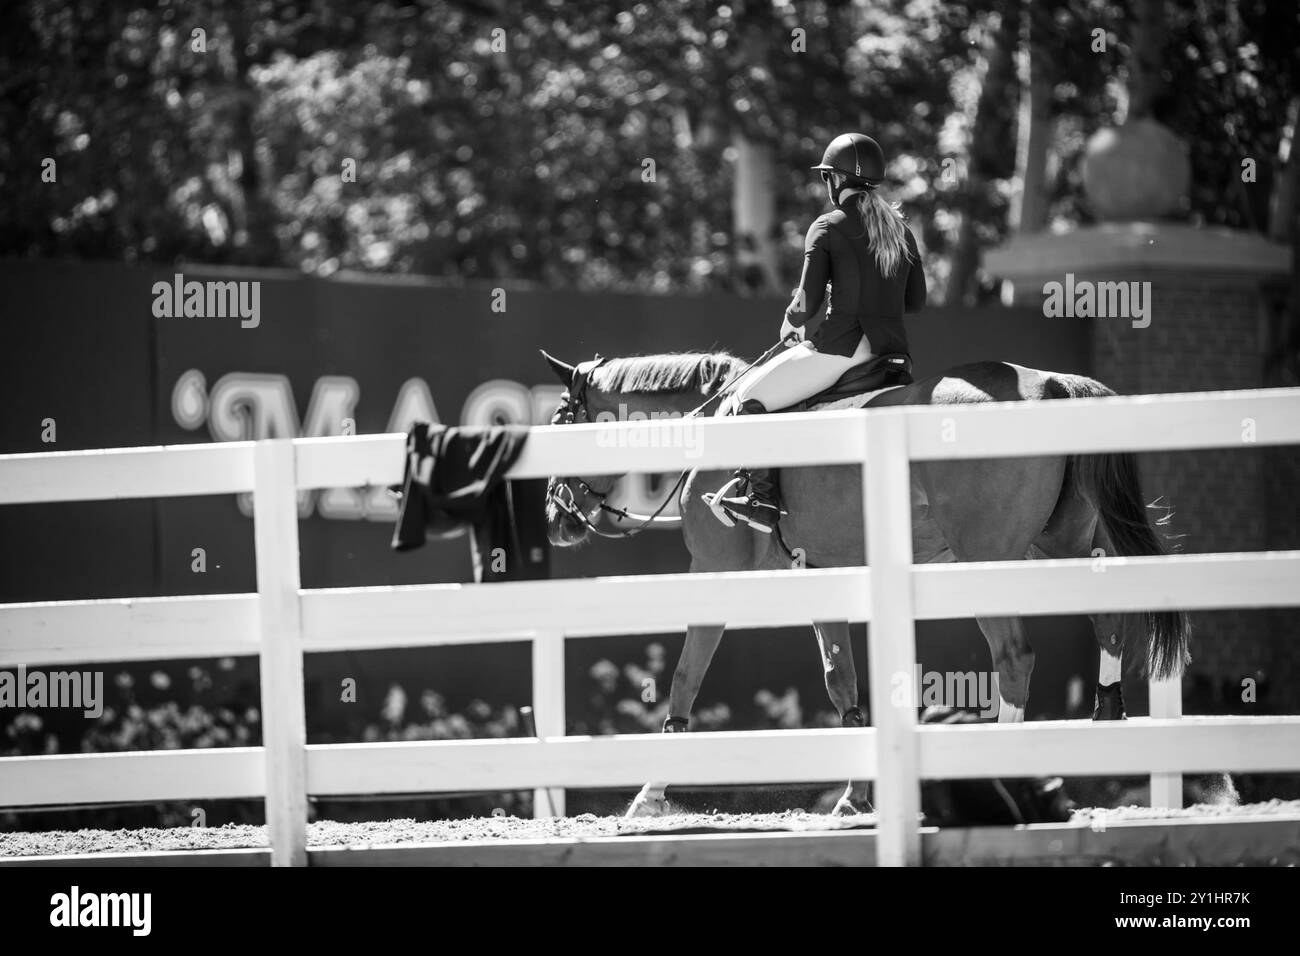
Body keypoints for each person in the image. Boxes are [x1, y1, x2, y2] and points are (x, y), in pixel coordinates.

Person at [715, 132, 928, 533]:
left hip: (840, 350)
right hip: (892, 356)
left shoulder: (827, 226)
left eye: (826, 177)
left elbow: (806, 303)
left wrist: (791, 321)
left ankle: (761, 500)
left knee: (748, 398)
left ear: (835, 180)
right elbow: (915, 301)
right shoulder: (901, 229)